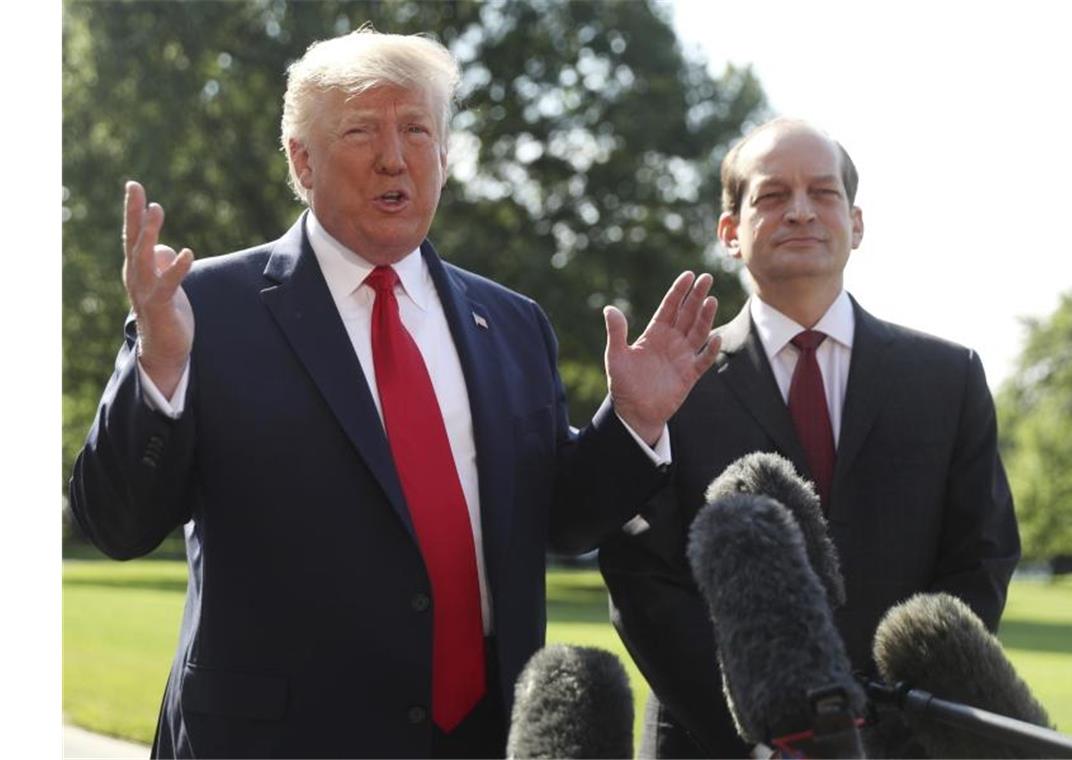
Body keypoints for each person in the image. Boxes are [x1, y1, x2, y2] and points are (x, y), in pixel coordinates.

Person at [69, 29, 721, 759]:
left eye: (417, 130)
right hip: (277, 741)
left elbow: (558, 520)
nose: (394, 156)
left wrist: (630, 424)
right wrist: (158, 366)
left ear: (444, 156)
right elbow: (119, 524)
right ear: (301, 160)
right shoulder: (202, 310)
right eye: (361, 130)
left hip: (479, 737)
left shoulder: (511, 323)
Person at [598, 118, 1021, 757]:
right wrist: (774, 737)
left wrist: (894, 725)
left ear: (855, 223)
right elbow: (643, 580)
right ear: (730, 232)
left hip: (902, 745)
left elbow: (980, 561)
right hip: (716, 743)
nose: (800, 212)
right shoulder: (667, 382)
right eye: (772, 196)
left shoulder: (948, 377)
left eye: (822, 193)